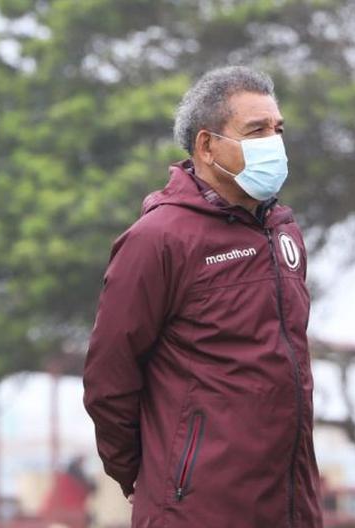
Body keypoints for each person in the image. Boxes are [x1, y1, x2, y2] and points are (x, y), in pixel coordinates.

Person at [83, 66, 321, 528]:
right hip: (196, 509)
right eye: (256, 131)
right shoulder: (157, 239)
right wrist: (157, 476)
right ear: (207, 146)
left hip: (291, 506)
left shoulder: (283, 231)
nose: (273, 142)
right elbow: (108, 379)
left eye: (277, 129)